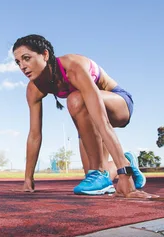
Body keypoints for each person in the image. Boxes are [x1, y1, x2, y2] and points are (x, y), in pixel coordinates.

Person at [12, 34, 149, 198]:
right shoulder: (33, 89)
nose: (23, 66)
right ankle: (127, 162)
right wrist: (28, 178)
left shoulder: (73, 68)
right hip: (89, 117)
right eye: (18, 62)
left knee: (75, 99)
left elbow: (102, 122)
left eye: (27, 58)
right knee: (95, 181)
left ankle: (121, 167)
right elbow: (34, 135)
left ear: (45, 55)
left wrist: (124, 175)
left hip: (118, 106)